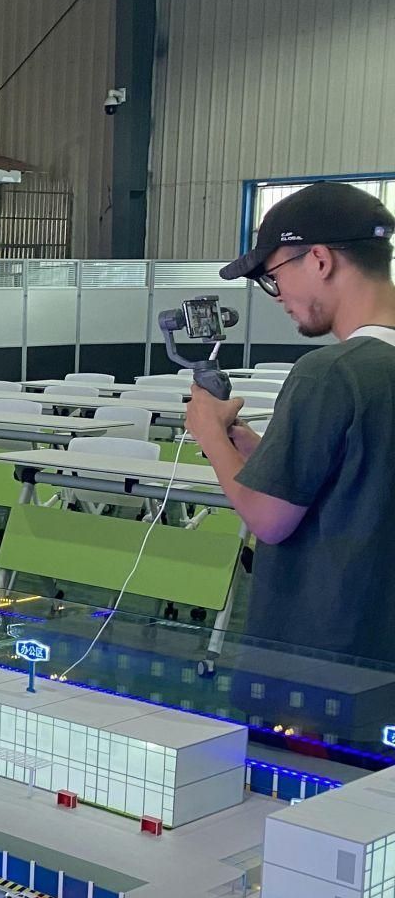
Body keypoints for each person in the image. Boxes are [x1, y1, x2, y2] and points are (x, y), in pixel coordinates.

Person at [190, 181, 395, 662]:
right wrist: (262, 450)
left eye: (273, 276)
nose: (277, 295)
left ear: (320, 260)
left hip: (323, 646)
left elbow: (269, 520)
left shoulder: (331, 373)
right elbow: (362, 475)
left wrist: (210, 433)